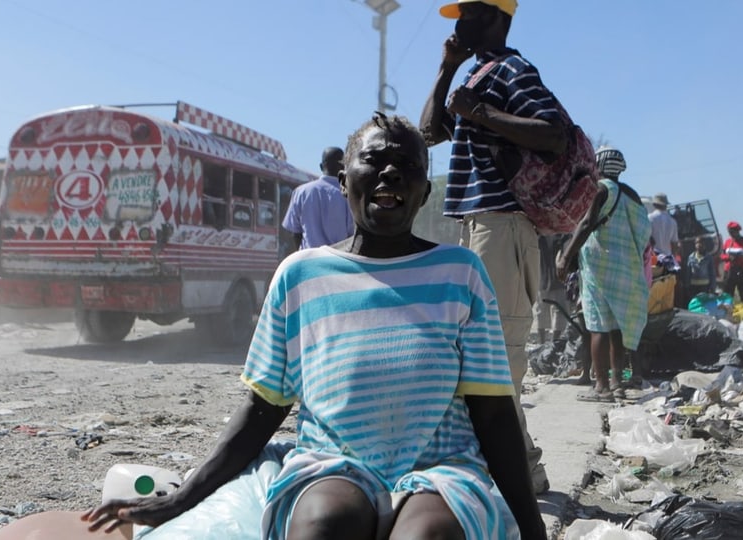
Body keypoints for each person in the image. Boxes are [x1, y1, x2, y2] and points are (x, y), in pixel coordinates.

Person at [83, 114, 548, 540]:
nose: (389, 172)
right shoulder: (299, 275)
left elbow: (493, 412)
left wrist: (533, 529)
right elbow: (262, 408)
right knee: (324, 525)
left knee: (428, 536)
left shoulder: (459, 271)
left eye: (406, 163)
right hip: (333, 463)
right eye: (374, 160)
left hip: (440, 467)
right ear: (343, 183)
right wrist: (182, 498)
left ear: (424, 191)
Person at [419, 0, 565, 494]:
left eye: (472, 14)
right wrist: (446, 69)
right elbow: (429, 130)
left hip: (503, 227)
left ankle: (518, 472)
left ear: (498, 18)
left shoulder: (513, 70)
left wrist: (479, 111)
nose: (461, 23)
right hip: (479, 226)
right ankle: (521, 467)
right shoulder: (476, 74)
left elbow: (555, 134)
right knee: (481, 357)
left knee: (497, 357)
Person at [556, 147, 651, 402]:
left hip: (600, 265)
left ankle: (601, 387)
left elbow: (587, 224)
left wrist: (566, 256)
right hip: (627, 266)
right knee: (617, 327)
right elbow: (644, 234)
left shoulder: (600, 189)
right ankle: (617, 383)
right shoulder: (633, 195)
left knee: (597, 326)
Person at [281, 146, 354, 254]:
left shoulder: (300, 192)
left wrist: (303, 255)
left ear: (321, 166)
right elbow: (351, 235)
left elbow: (295, 232)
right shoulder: (349, 195)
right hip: (338, 261)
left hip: (308, 260)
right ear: (344, 167)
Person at [536, 233, 571, 344]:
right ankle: (541, 343)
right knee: (541, 310)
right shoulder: (538, 237)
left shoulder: (564, 237)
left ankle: (554, 343)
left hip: (559, 280)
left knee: (559, 311)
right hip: (542, 278)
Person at [720, 221, 743, 302]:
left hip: (742, 271)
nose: (731, 234)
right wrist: (728, 258)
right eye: (729, 232)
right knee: (728, 295)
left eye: (732, 232)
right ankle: (728, 312)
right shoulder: (727, 242)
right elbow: (722, 256)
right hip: (729, 271)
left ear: (737, 231)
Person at [648, 193, 679, 259]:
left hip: (654, 260)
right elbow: (674, 244)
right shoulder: (673, 222)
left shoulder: (650, 218)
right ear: (666, 205)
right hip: (668, 259)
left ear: (654, 204)